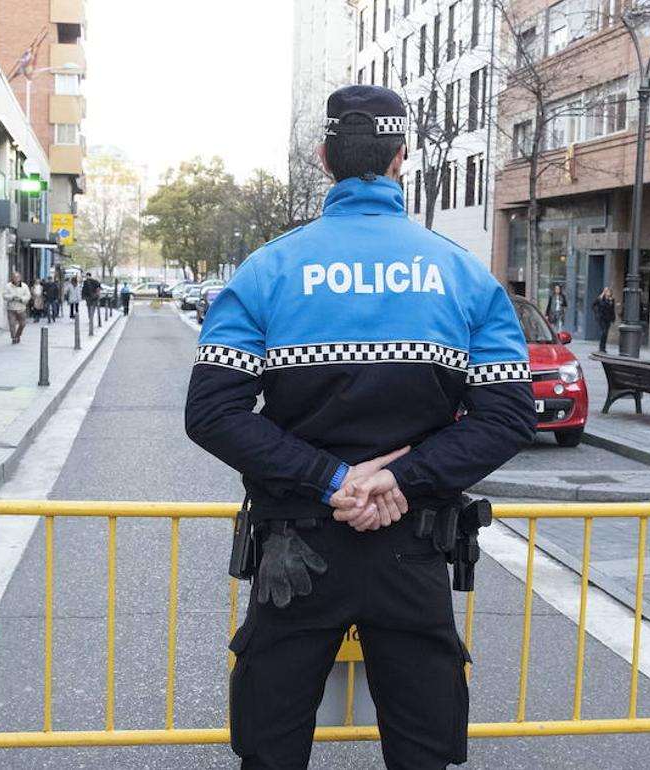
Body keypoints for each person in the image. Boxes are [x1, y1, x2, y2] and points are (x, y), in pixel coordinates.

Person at [184, 84, 536, 770]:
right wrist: (400, 479)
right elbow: (509, 414)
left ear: (323, 158)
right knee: (424, 746)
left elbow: (213, 413)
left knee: (271, 742)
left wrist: (332, 480)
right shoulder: (463, 274)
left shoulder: (268, 269)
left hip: (297, 548)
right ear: (404, 158)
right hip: (414, 544)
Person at [1, 272, 31, 344]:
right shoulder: (8, 286)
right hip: (11, 308)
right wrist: (12, 297)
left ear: (20, 278)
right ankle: (14, 337)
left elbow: (28, 296)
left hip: (21, 308)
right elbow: (4, 295)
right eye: (15, 277)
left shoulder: (24, 286)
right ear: (12, 278)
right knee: (12, 324)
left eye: (18, 277)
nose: (16, 279)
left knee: (23, 324)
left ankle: (18, 335)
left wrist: (21, 299)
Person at [592, 287, 616, 352]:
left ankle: (603, 347)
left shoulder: (611, 300)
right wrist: (597, 313)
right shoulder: (600, 299)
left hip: (608, 318)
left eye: (609, 292)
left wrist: (613, 318)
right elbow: (594, 305)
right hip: (601, 318)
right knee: (604, 331)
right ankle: (601, 347)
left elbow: (612, 310)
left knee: (606, 333)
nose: (608, 293)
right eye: (607, 291)